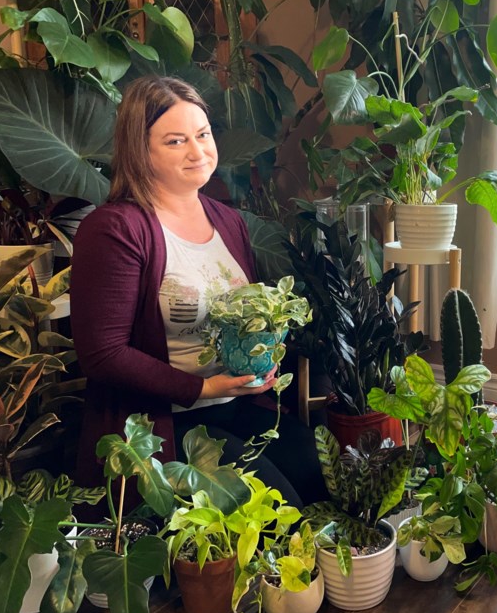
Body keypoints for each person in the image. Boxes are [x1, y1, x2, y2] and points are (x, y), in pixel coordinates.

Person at [70, 75, 326, 509]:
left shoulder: (228, 221)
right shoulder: (115, 229)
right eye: (175, 141)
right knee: (284, 514)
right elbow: (102, 353)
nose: (198, 151)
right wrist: (203, 389)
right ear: (140, 149)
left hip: (240, 405)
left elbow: (244, 315)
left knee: (321, 481)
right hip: (169, 423)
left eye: (203, 134)